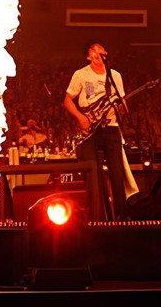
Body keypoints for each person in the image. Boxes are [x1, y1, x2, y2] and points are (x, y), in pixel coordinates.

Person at [63, 42, 135, 219]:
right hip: (90, 130)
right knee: (94, 174)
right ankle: (97, 216)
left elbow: (122, 98)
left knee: (117, 174)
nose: (96, 52)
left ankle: (121, 217)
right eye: (92, 50)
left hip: (110, 127)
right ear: (89, 56)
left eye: (99, 49)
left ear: (105, 53)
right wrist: (81, 117)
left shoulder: (114, 75)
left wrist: (122, 109)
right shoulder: (81, 74)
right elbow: (67, 100)